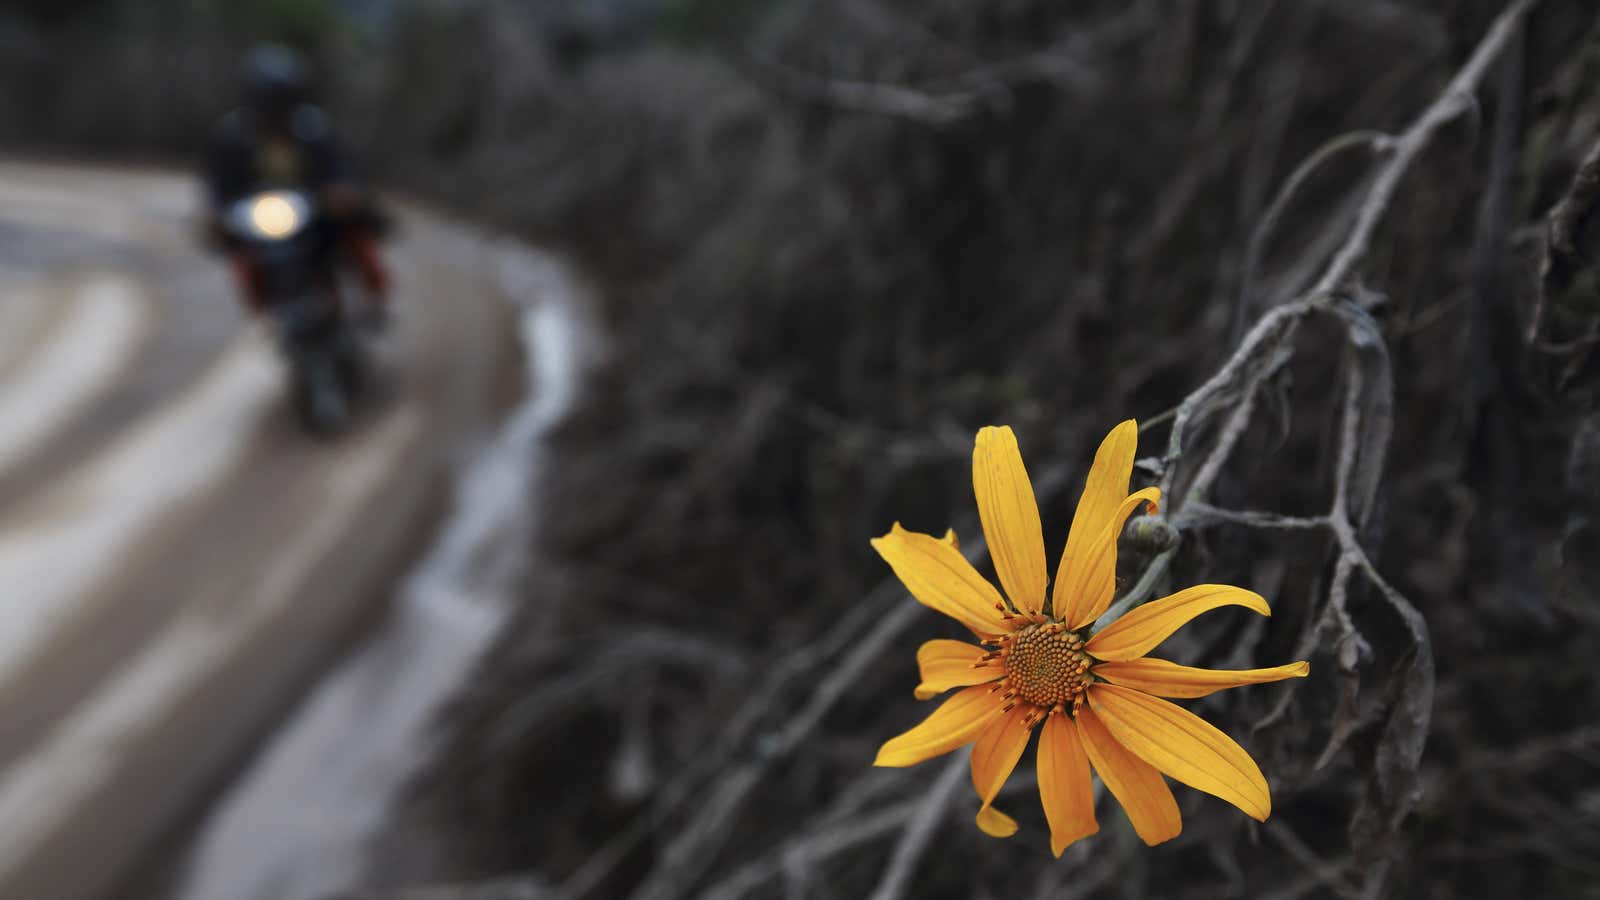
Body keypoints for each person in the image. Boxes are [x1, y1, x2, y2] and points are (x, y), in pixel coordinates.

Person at [204, 44, 389, 324]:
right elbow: (219, 186)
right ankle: (264, 310)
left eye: (281, 99)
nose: (274, 108)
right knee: (242, 257)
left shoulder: (315, 130)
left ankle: (375, 297)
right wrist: (217, 215)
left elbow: (342, 166)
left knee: (355, 233)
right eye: (267, 100)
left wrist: (342, 191)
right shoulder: (232, 138)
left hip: (316, 213)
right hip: (261, 221)